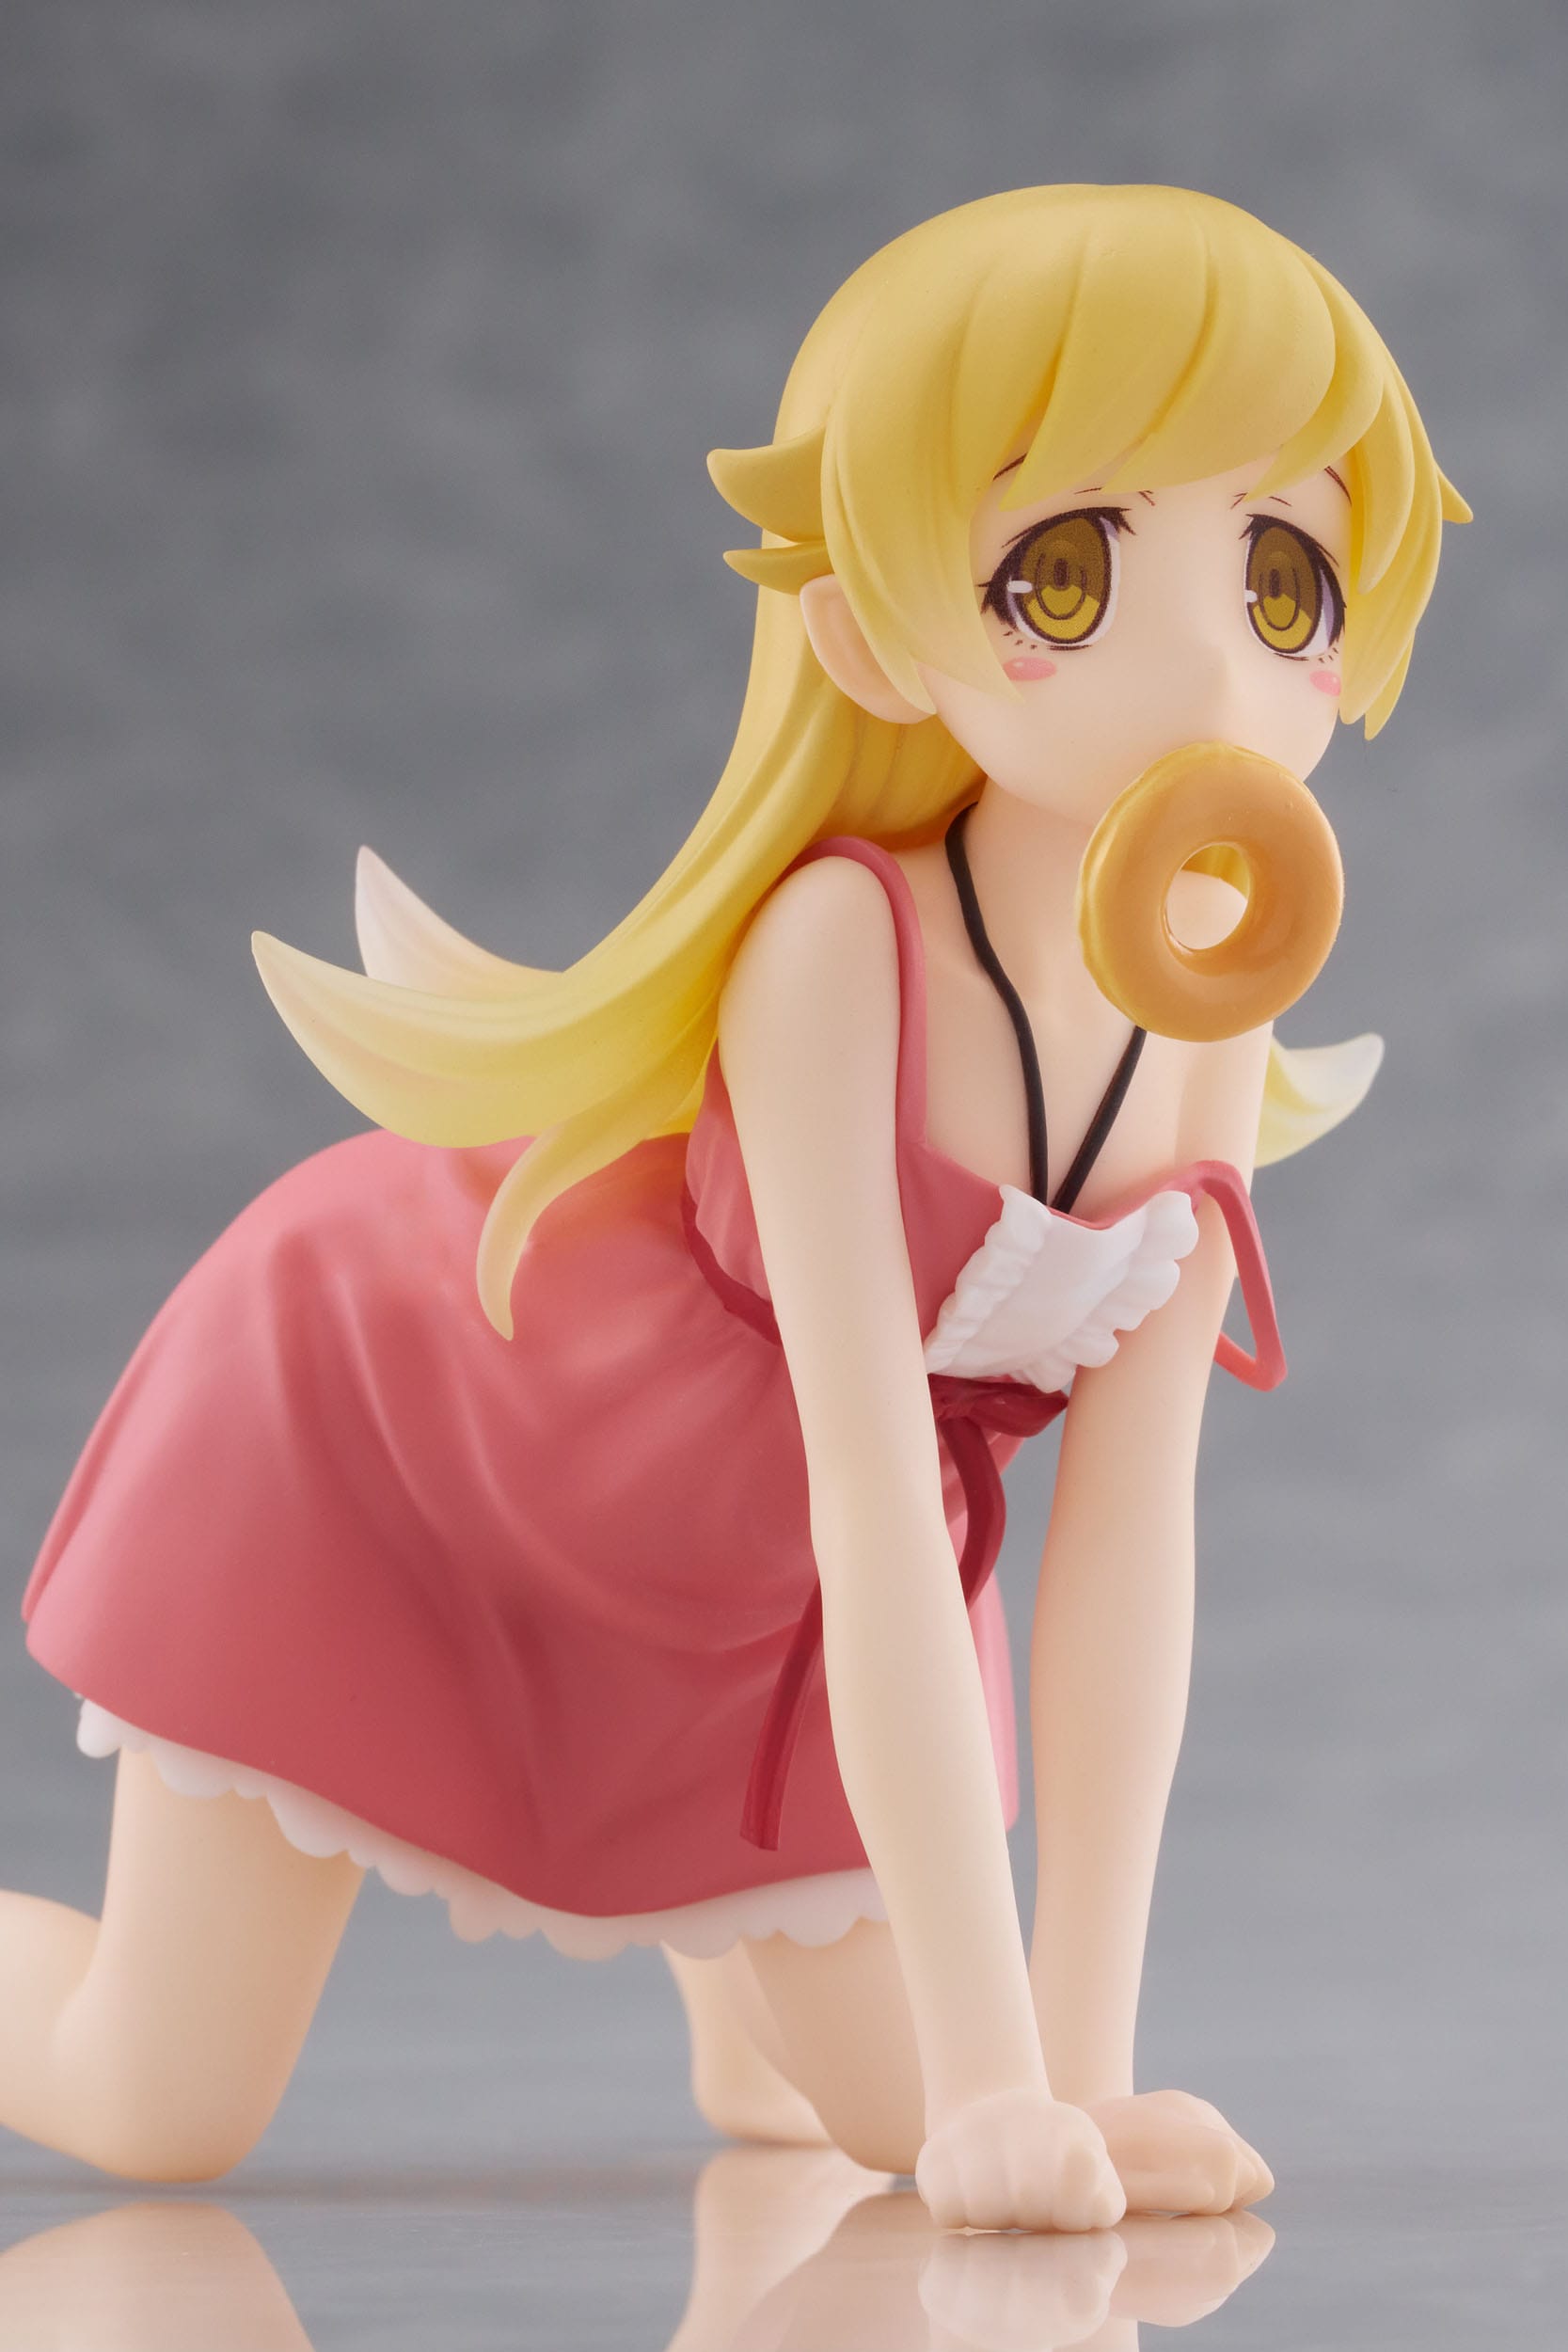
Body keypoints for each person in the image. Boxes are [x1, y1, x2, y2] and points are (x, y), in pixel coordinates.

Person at [5, 184, 1465, 2229]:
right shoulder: (842, 951)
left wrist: (1082, 2072)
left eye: (1286, 576)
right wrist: (995, 2084)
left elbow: (1132, 1539)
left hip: (751, 1589)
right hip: (411, 1412)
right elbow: (869, 1485)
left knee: (886, 2116)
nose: (1213, 665)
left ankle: (739, 1995)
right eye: (1065, 573)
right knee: (157, 2098)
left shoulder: (1216, 995)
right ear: (871, 626)